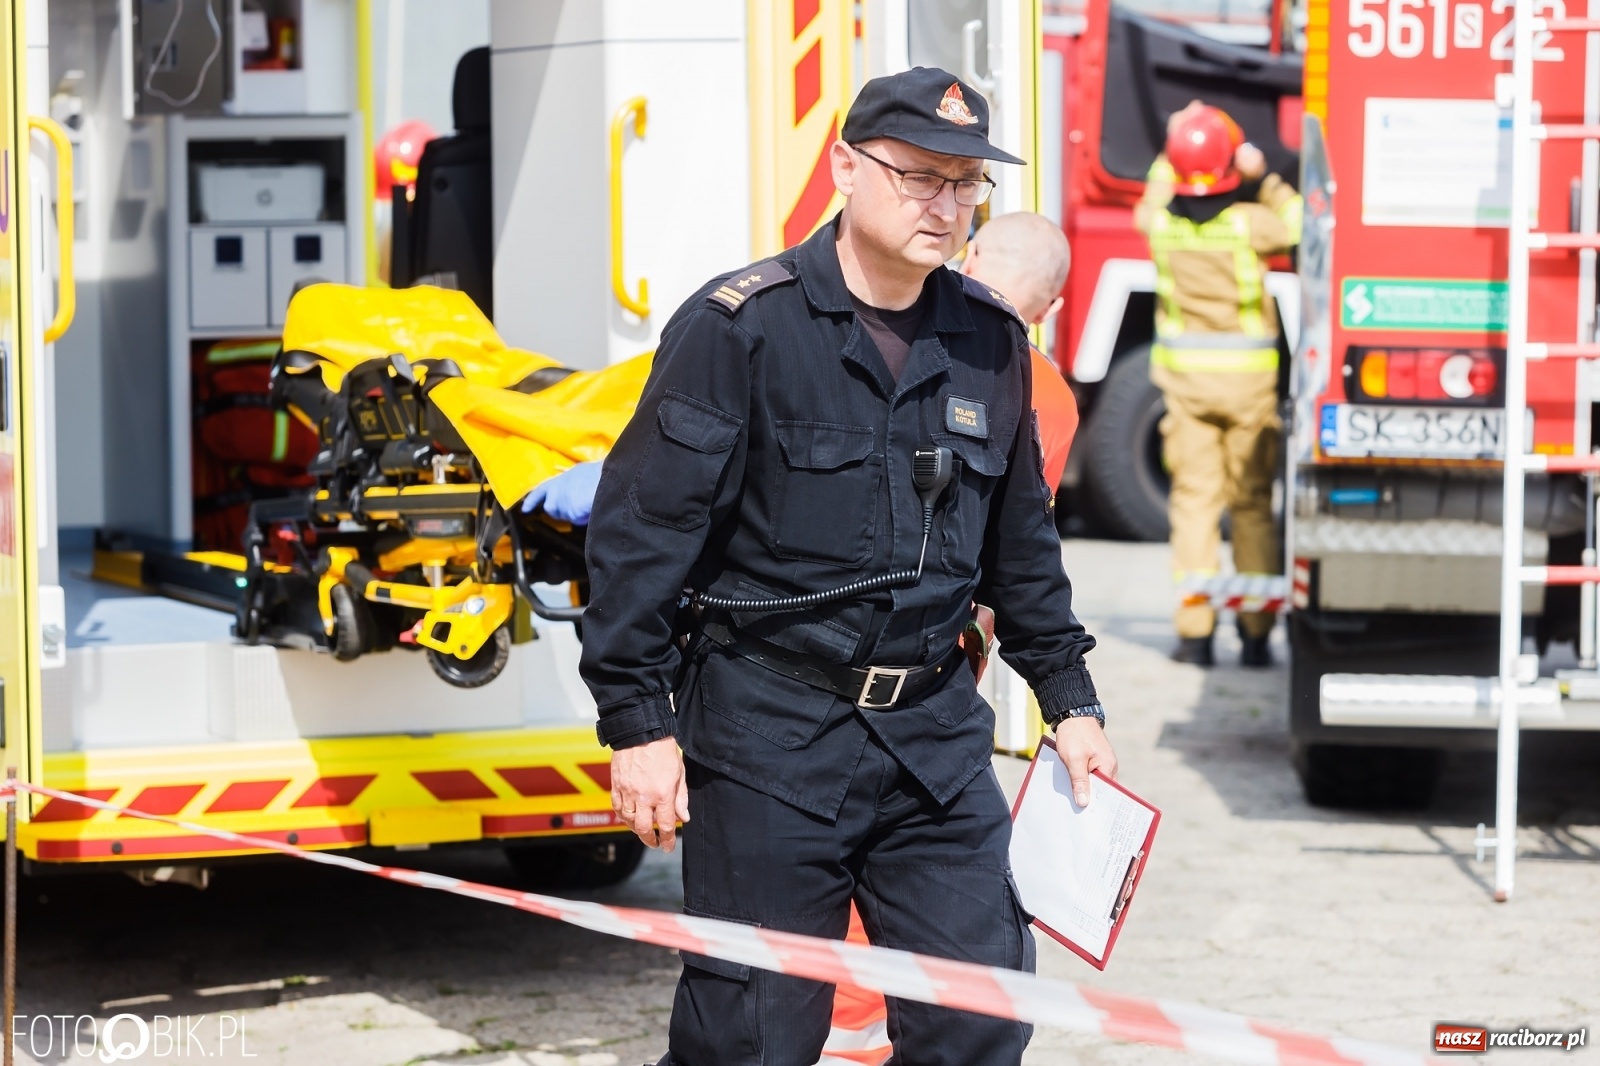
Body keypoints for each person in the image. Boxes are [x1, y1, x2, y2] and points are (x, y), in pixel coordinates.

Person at [579, 68, 1115, 1066]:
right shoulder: (738, 328)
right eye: (918, 176)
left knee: (979, 1014)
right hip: (768, 733)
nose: (944, 206)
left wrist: (1071, 701)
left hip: (929, 737)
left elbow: (1022, 551)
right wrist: (637, 723)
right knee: (751, 1035)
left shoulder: (990, 341)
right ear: (844, 169)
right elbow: (638, 536)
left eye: (964, 186)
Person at [1135, 102, 1301, 668]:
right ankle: (1256, 637)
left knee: (1194, 508)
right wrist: (1262, 175)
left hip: (1186, 389)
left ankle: (1195, 635)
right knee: (1252, 508)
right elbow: (1299, 220)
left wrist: (1176, 139)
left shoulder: (1160, 224)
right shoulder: (1249, 225)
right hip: (1249, 390)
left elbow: (1155, 193)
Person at [959, 211, 1079, 493]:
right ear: (1049, 310)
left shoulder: (914, 342)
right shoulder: (1059, 401)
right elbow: (1035, 517)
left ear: (969, 259)